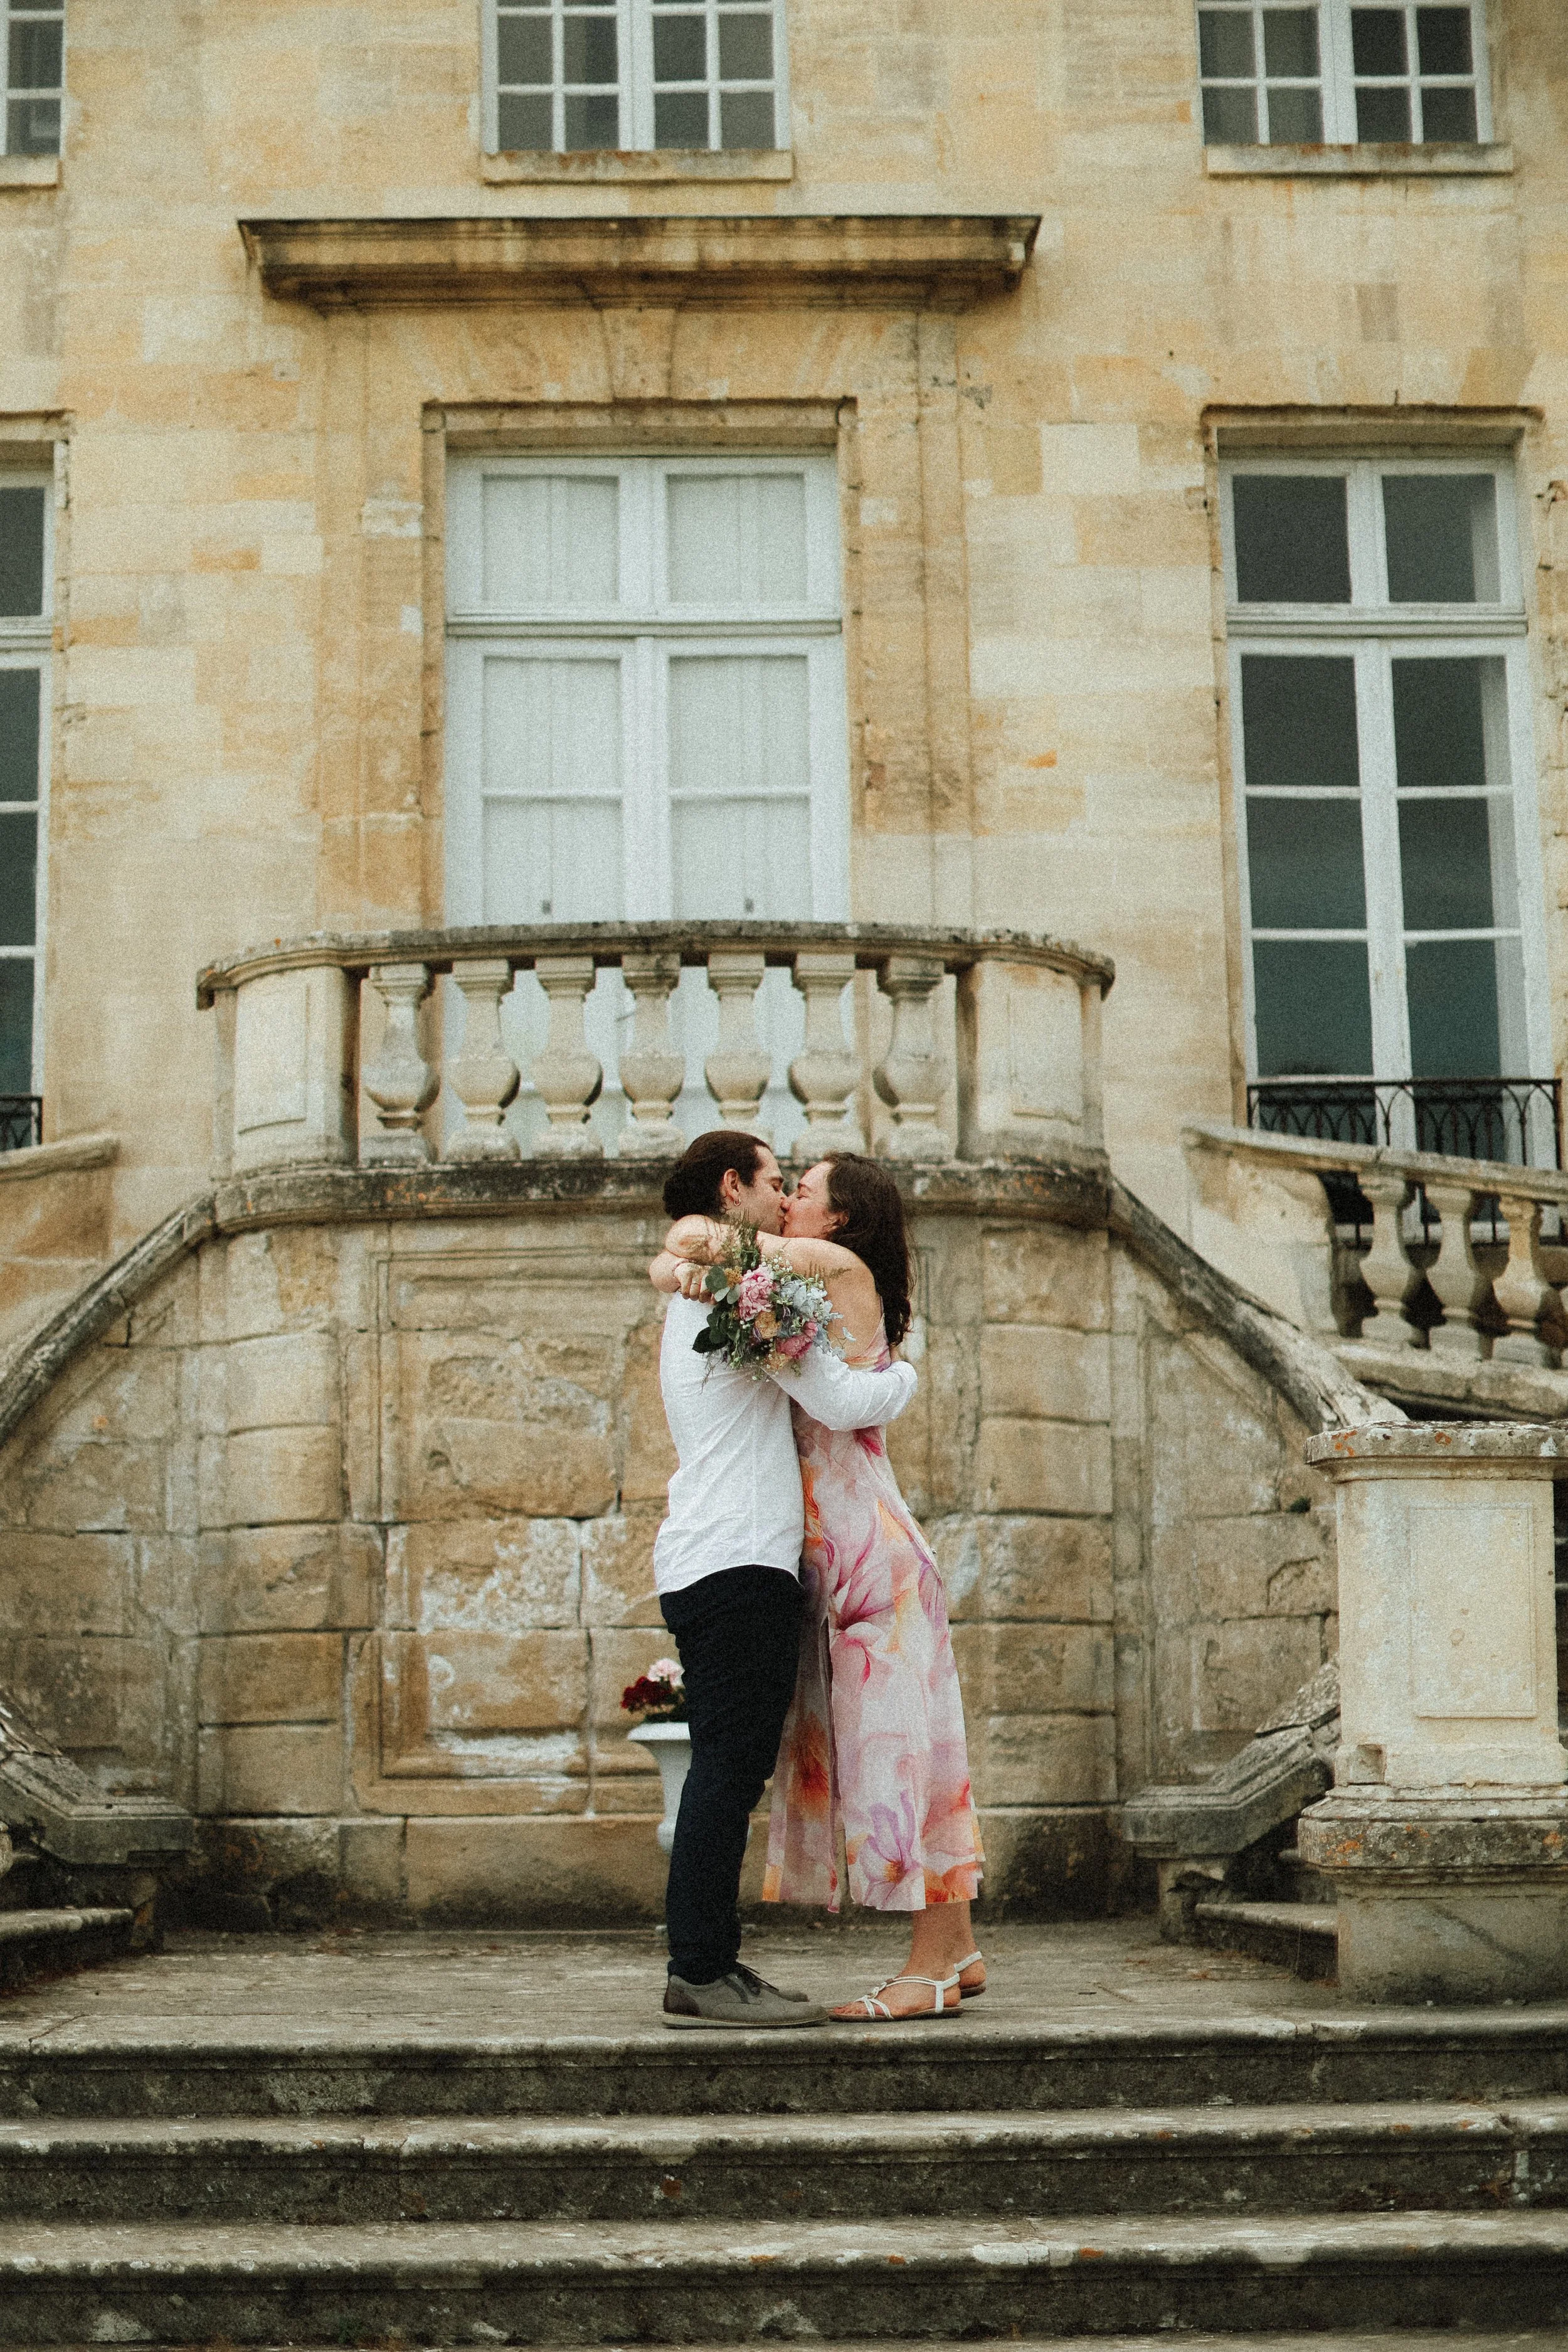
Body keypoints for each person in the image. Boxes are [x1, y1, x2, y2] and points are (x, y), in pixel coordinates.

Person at [654, 1152, 985, 2022]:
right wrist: (680, 1262)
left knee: (908, 1763)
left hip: (869, 1555)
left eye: (804, 1191)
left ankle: (935, 1960)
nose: (788, 1197)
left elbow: (838, 1401)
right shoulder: (764, 1283)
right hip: (835, 1556)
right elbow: (692, 1240)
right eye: (781, 1181)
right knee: (918, 1756)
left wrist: (898, 1383)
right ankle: (953, 1949)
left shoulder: (830, 1271)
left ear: (838, 1220)